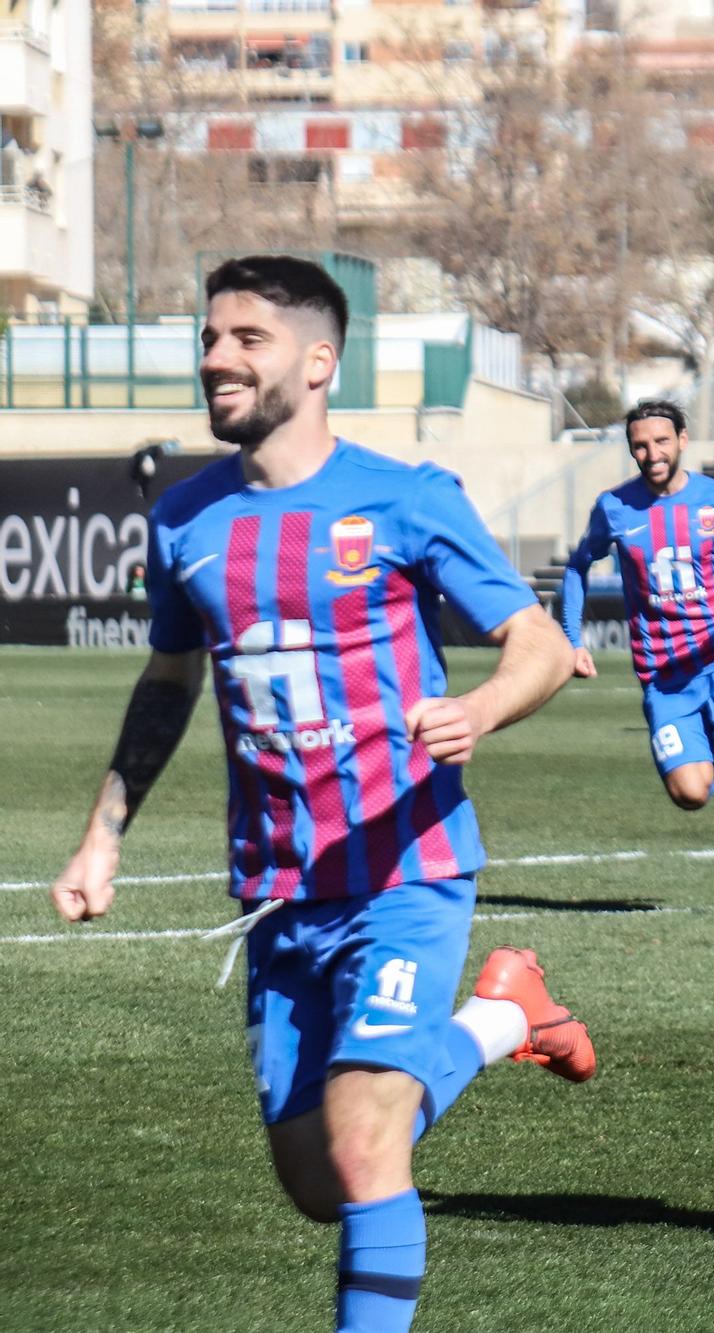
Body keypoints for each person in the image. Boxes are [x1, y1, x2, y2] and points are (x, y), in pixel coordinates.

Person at [50, 255, 592, 1333]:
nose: (216, 358)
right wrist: (102, 836)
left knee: (363, 1142)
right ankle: (500, 1015)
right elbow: (169, 680)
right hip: (278, 892)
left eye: (245, 339)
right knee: (316, 1185)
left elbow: (537, 642)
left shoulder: (406, 498)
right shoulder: (187, 521)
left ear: (317, 360)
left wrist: (477, 713)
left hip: (407, 870)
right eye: (208, 339)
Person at [563, 400, 714, 915]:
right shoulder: (614, 508)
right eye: (641, 445)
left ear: (683, 440)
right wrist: (571, 638)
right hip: (665, 679)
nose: (652, 453)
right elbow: (577, 566)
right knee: (691, 793)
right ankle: (707, 746)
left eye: (662, 441)